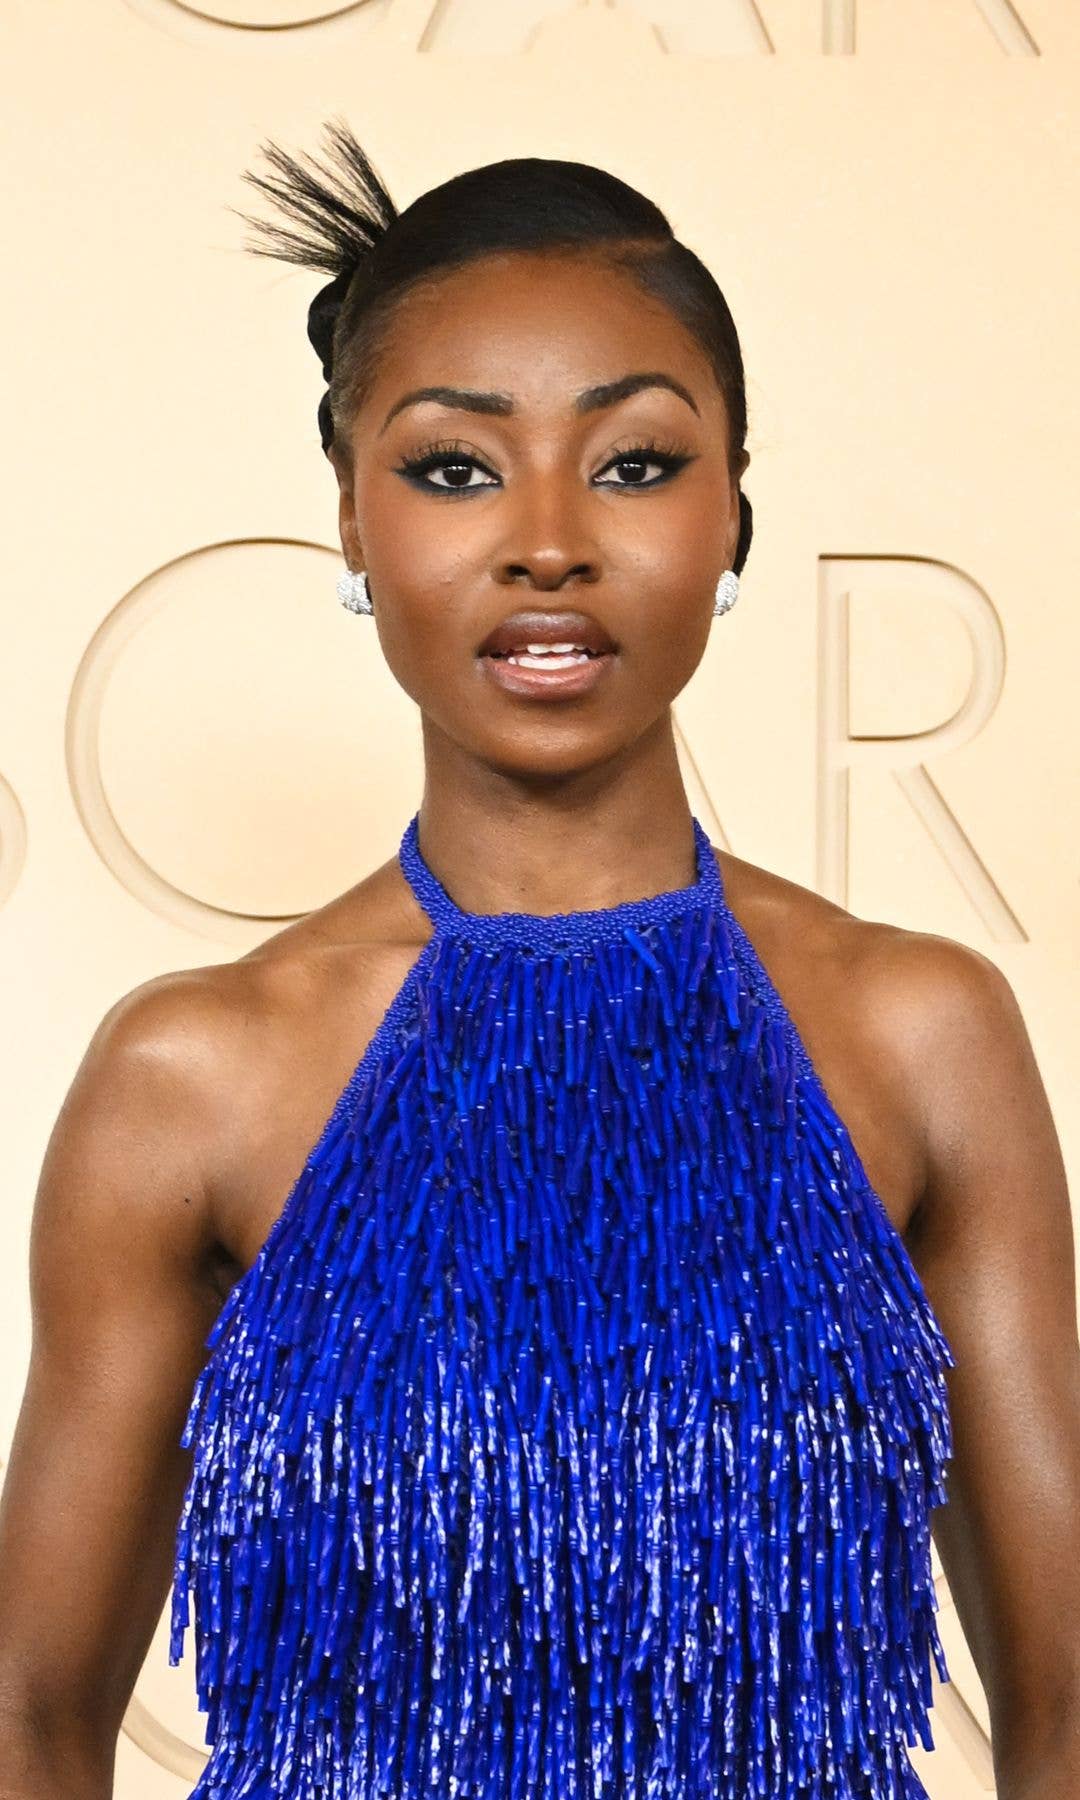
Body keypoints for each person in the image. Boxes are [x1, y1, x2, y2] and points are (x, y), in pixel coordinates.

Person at [0, 119, 1077, 1800]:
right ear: (352, 524)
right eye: (453, 467)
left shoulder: (920, 1031)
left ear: (735, 513)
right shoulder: (193, 1077)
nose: (550, 539)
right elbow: (33, 1722)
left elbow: (1068, 1712)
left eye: (636, 462)